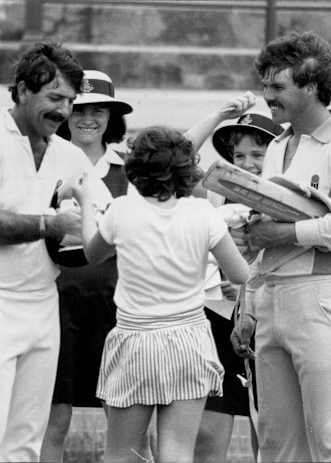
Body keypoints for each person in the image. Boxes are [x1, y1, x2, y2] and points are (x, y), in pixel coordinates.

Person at [0, 41, 112, 462]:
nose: (64, 111)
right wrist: (48, 223)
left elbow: (106, 222)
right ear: (22, 90)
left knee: (26, 440)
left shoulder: (70, 154)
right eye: (54, 98)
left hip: (44, 302)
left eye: (70, 101)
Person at [230, 31, 331, 462]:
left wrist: (286, 234)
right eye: (265, 85)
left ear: (312, 87)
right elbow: (268, 229)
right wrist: (250, 307)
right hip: (273, 298)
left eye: (278, 87)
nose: (267, 96)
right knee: (277, 445)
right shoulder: (277, 145)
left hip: (324, 302)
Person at [72, 126, 250, 463]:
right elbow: (242, 274)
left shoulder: (121, 210)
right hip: (189, 340)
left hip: (135, 340)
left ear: (136, 168)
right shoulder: (204, 213)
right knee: (177, 452)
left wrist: (84, 205)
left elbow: (92, 255)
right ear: (187, 169)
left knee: (124, 455)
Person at [40, 69, 133, 462]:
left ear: (112, 117)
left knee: (124, 415)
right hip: (56, 302)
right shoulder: (46, 161)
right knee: (54, 416)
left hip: (116, 305)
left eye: (98, 110)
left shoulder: (130, 170)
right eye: (78, 109)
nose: (87, 119)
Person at [194, 113, 284, 463]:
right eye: (239, 155)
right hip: (220, 318)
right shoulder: (214, 195)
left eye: (258, 155)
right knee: (209, 428)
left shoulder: (284, 196)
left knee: (268, 427)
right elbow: (182, 157)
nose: (248, 164)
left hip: (267, 316)